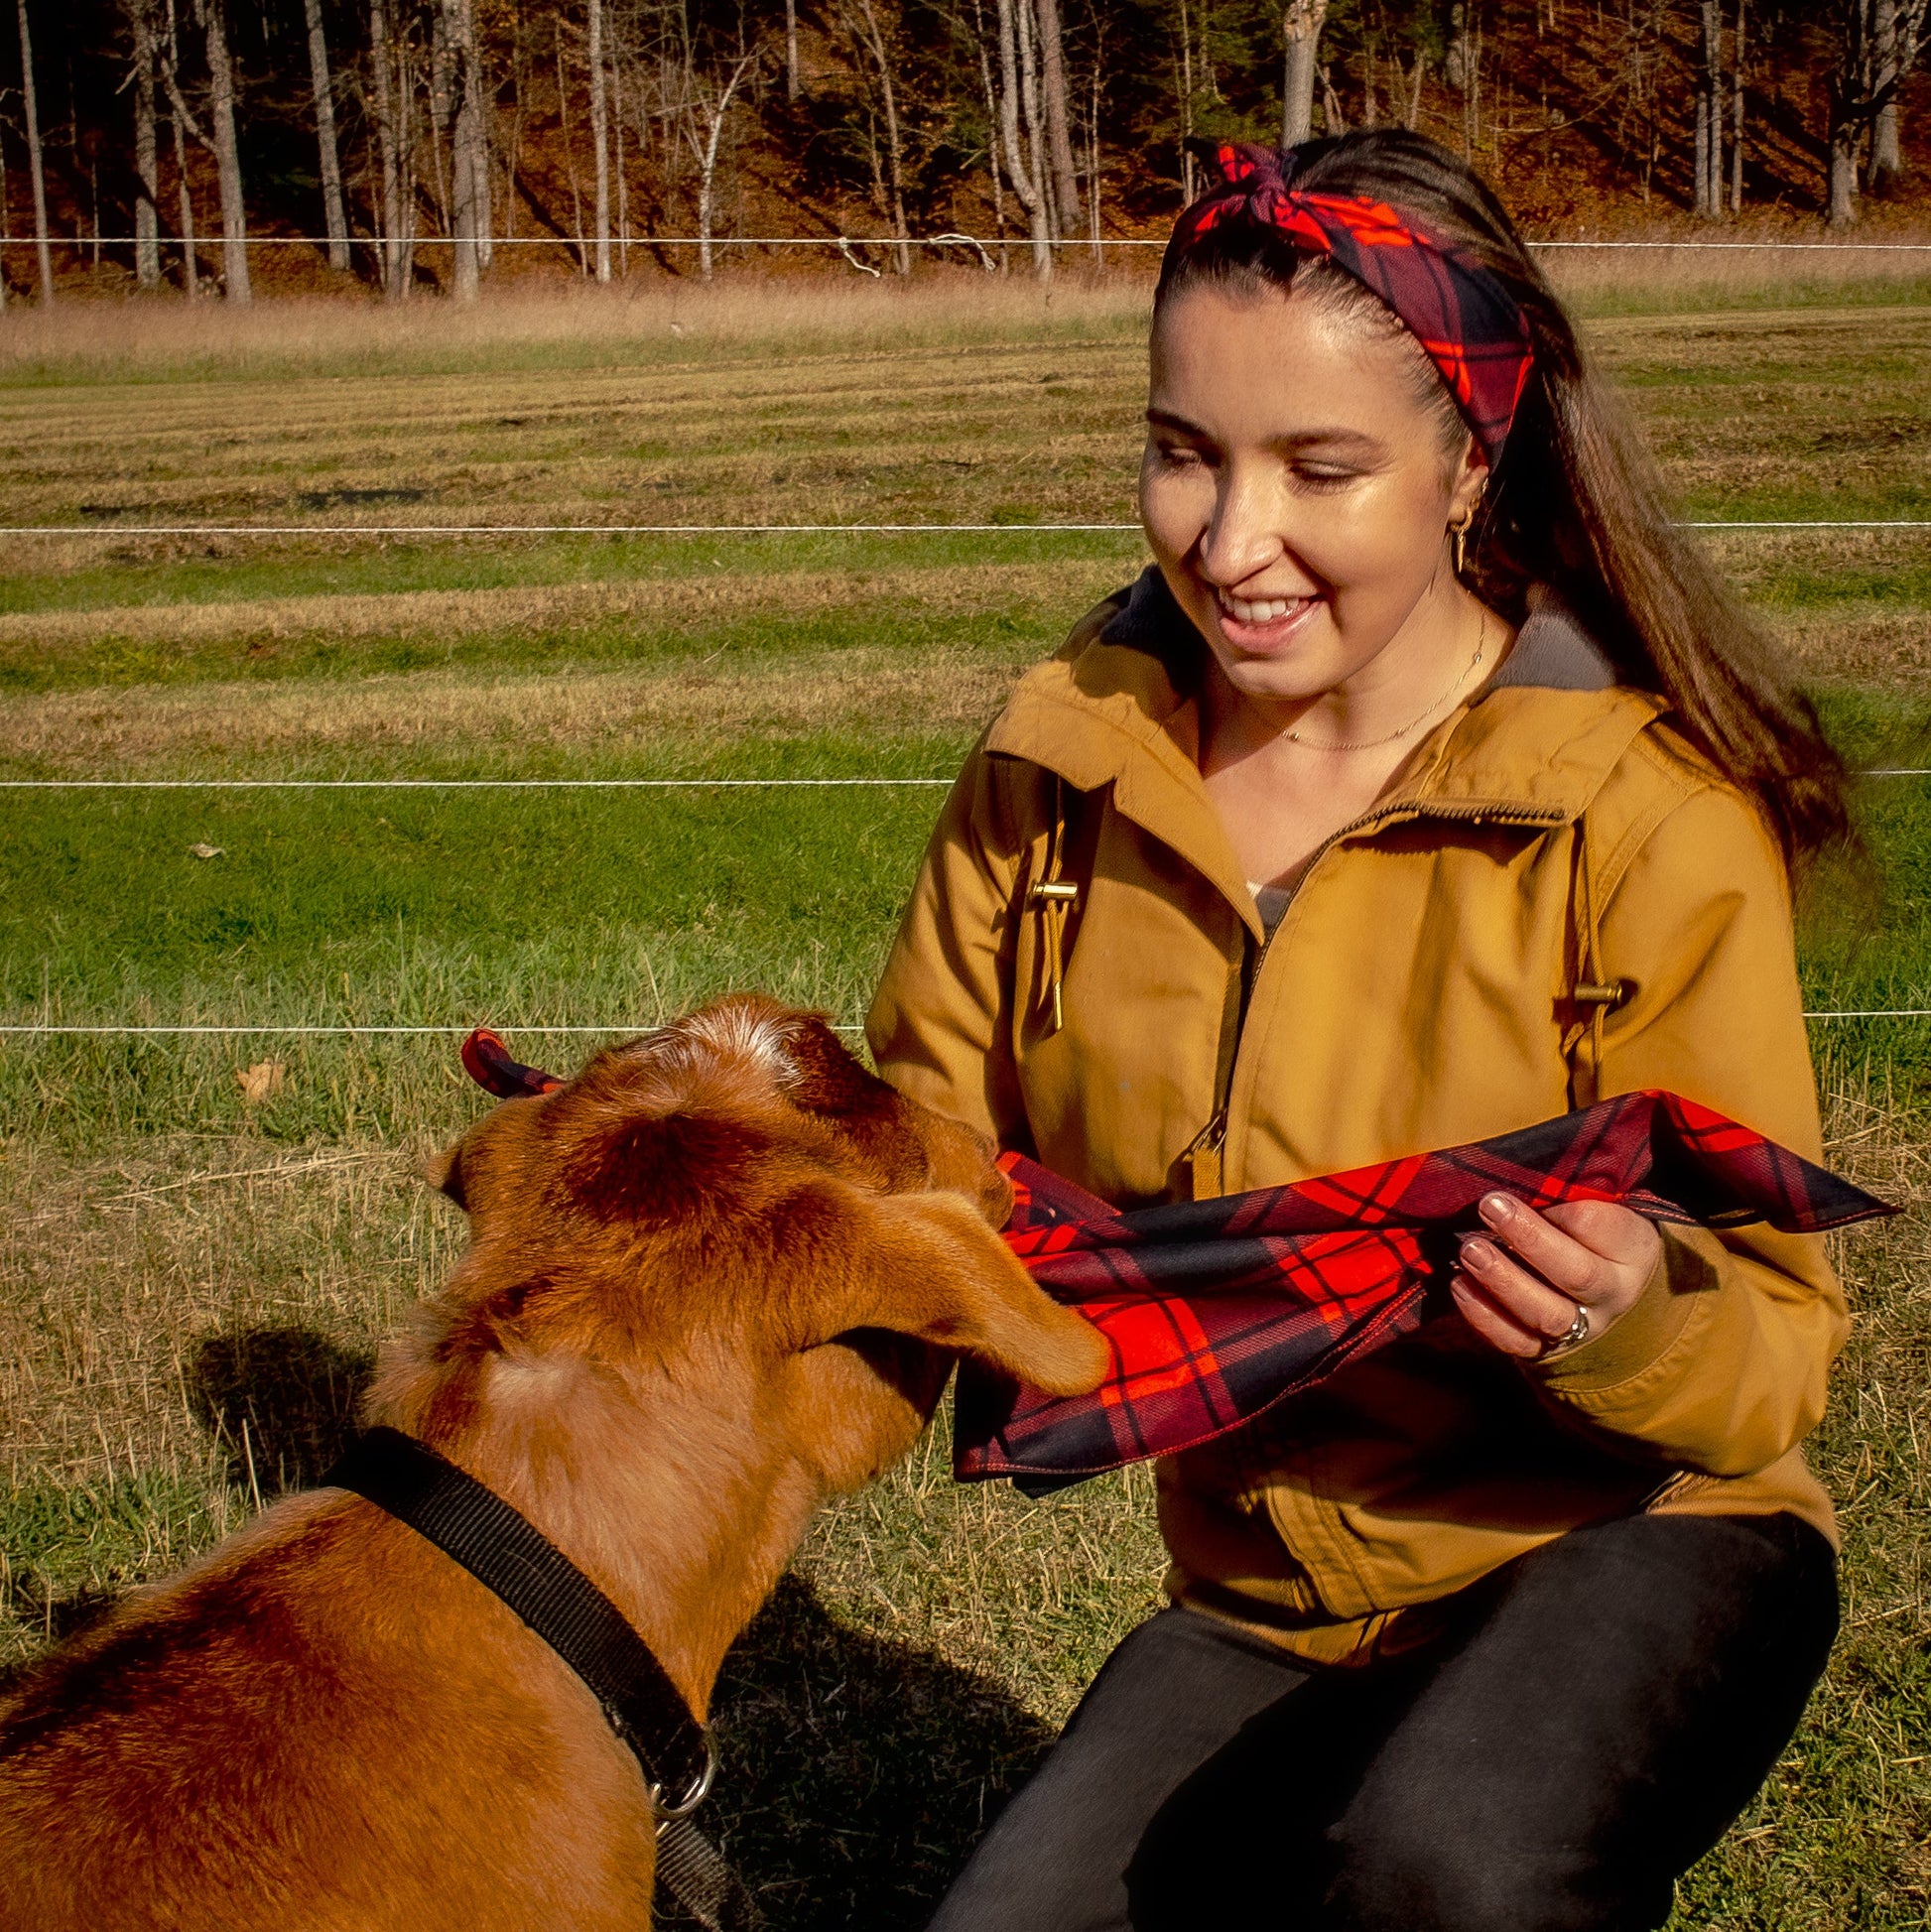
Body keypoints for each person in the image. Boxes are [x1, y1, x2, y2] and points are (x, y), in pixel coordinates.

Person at [865, 129, 1853, 1932]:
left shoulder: (1641, 817)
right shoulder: (1053, 778)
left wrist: (1628, 1318)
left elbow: (1769, 1351)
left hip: (1635, 1538)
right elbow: (911, 1185)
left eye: (1318, 469)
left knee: (1434, 1874)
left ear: (1470, 463)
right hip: (1269, 1599)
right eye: (1181, 456)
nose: (1231, 545)